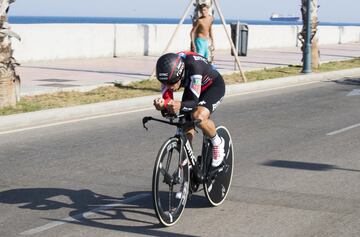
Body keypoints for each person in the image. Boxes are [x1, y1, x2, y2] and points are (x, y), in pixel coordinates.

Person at [153, 51, 225, 167]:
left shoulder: (193, 67)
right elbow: (168, 101)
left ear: (180, 74)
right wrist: (163, 105)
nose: (169, 86)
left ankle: (217, 141)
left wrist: (179, 105)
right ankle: (189, 165)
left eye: (172, 83)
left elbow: (193, 103)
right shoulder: (168, 73)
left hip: (212, 86)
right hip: (192, 87)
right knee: (184, 125)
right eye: (164, 83)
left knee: (198, 116)